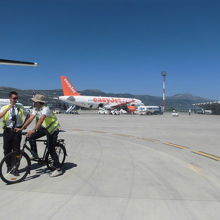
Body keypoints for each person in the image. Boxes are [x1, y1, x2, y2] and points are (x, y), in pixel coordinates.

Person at [16, 94, 62, 177]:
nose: (33, 102)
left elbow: (41, 119)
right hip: (44, 128)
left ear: (39, 102)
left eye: (34, 101)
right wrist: (22, 128)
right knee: (29, 137)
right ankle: (35, 155)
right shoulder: (35, 108)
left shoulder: (45, 108)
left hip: (52, 129)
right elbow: (31, 118)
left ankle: (58, 169)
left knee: (50, 148)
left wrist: (33, 130)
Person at [0, 91, 28, 175]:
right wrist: (8, 109)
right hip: (7, 130)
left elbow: (28, 115)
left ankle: (15, 167)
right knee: (6, 150)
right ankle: (9, 166)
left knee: (16, 150)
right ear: (10, 98)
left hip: (17, 130)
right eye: (14, 98)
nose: (15, 100)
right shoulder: (4, 107)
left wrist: (24, 125)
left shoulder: (20, 106)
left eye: (17, 98)